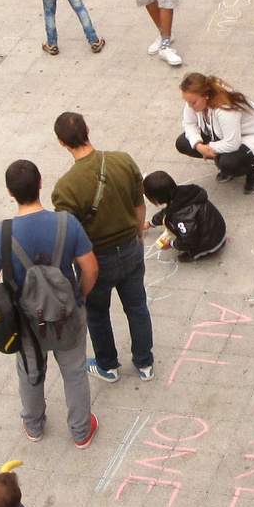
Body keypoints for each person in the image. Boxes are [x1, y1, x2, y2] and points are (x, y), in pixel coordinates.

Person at [0, 161, 98, 444]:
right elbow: (91, 268)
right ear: (41, 183)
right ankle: (81, 431)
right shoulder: (67, 223)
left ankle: (34, 426)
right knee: (75, 374)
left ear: (9, 191)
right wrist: (79, 296)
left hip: (27, 323)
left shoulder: (0, 233)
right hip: (67, 315)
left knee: (30, 373)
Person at [51, 112, 153, 384]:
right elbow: (139, 204)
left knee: (97, 313)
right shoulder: (122, 160)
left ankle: (108, 365)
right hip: (130, 248)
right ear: (87, 129)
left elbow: (70, 234)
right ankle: (145, 363)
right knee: (137, 306)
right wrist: (138, 234)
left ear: (61, 142)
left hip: (96, 260)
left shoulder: (65, 188)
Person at [177, 72, 254, 193]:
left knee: (229, 163)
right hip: (223, 133)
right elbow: (189, 123)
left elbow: (232, 143)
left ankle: (253, 169)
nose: (190, 106)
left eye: (193, 102)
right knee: (183, 143)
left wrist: (209, 147)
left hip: (251, 136)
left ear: (205, 95)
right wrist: (198, 145)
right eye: (187, 102)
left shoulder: (225, 110)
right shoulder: (195, 100)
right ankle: (222, 161)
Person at [143, 170, 228, 262]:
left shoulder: (182, 216)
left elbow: (189, 239)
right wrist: (150, 223)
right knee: (171, 221)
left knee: (180, 233)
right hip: (217, 229)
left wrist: (171, 244)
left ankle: (195, 253)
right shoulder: (183, 194)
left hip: (211, 242)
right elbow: (168, 211)